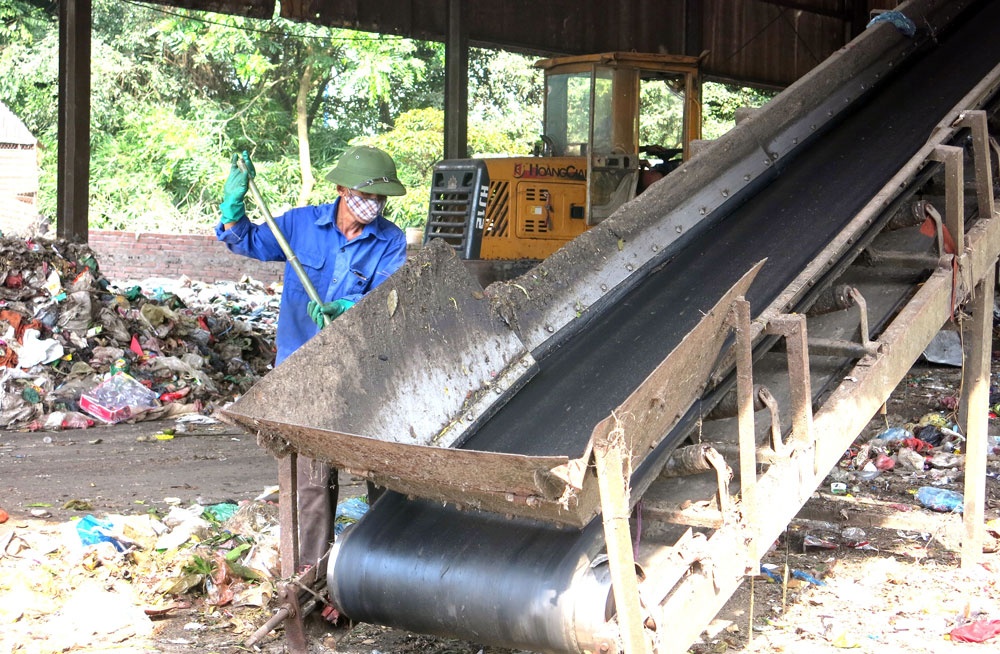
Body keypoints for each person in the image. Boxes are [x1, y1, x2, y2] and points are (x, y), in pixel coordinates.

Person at [216, 144, 407, 569]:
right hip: (301, 370)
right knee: (311, 480)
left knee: (382, 470)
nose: (372, 204)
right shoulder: (300, 226)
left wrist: (349, 306)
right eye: (364, 194)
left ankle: (387, 565)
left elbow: (389, 298)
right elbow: (243, 238)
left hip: (359, 371)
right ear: (341, 188)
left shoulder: (390, 241)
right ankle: (311, 573)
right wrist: (233, 204)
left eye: (379, 198)